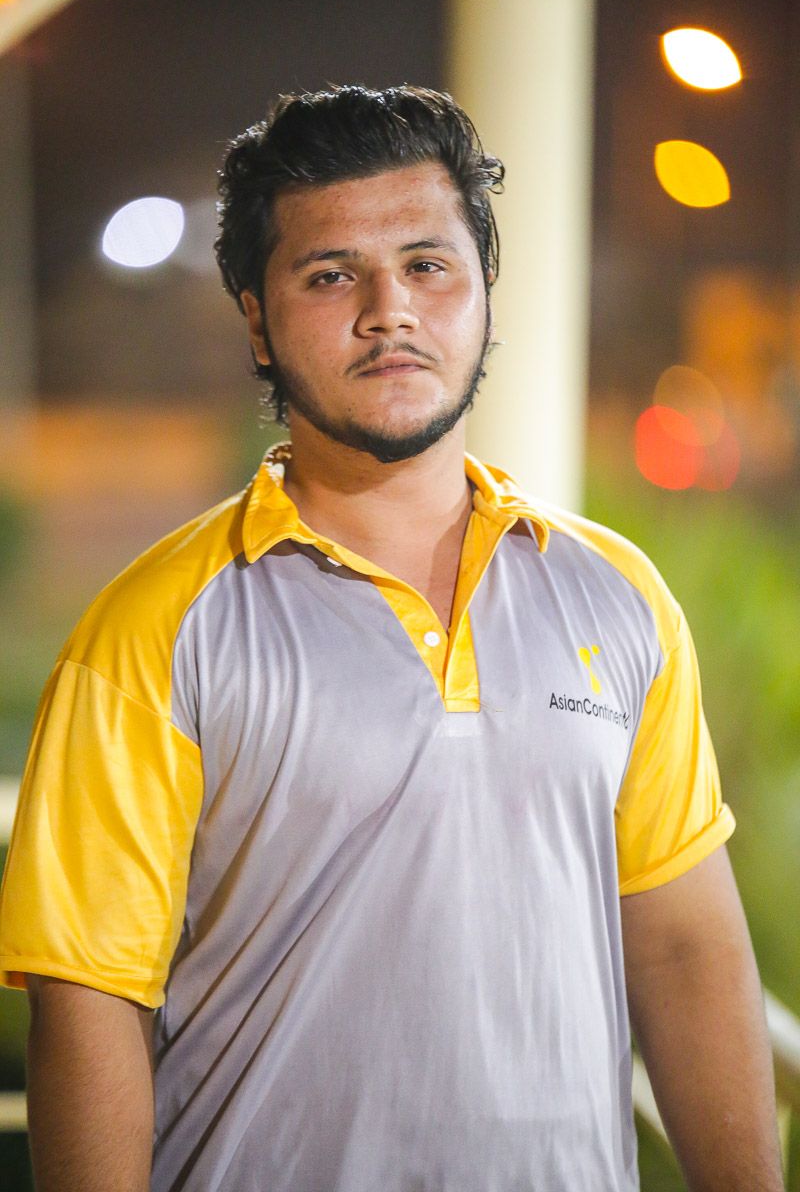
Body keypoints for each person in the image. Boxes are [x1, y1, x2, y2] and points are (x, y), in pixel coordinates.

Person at [0, 85, 784, 1192]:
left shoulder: (614, 595)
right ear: (255, 320)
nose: (389, 311)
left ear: (485, 293)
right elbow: (89, 1004)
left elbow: (686, 949)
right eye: (330, 276)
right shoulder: (155, 629)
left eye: (428, 264)